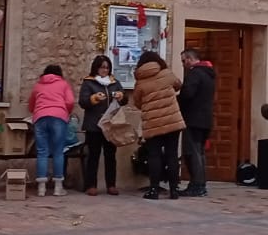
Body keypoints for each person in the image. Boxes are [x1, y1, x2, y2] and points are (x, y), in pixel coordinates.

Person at [130, 52, 184, 200]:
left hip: (153, 123)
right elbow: (178, 85)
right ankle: (174, 190)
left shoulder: (140, 81)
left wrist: (148, 107)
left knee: (154, 156)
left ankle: (154, 190)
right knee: (172, 155)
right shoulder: (167, 74)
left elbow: (137, 102)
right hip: (173, 121)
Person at [78, 55, 125, 197]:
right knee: (93, 156)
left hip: (110, 125)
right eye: (102, 67)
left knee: (111, 156)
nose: (105, 70)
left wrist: (121, 96)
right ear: (96, 68)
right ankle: (90, 185)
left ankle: (111, 185)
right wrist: (94, 98)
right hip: (94, 125)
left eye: (107, 67)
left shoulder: (114, 82)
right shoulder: (88, 83)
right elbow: (83, 102)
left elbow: (125, 99)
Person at [28, 64, 76, 198]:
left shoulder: (38, 85)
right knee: (58, 151)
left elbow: (31, 104)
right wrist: (66, 111)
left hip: (40, 117)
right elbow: (70, 101)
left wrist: (37, 111)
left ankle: (41, 188)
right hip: (58, 117)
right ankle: (58, 187)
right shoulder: (63, 84)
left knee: (42, 152)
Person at [177, 48, 217, 197]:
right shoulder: (209, 74)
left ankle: (197, 185)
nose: (183, 64)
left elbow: (187, 94)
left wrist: (177, 100)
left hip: (193, 119)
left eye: (183, 61)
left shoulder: (194, 74)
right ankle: (200, 184)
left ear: (189, 59)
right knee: (199, 153)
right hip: (205, 119)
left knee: (192, 153)